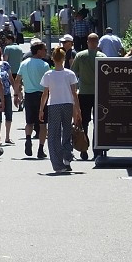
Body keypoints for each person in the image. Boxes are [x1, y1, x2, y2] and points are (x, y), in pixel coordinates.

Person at [40, 46, 81, 173]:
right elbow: (74, 93)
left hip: (53, 105)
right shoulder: (70, 74)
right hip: (68, 104)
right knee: (67, 131)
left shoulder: (48, 74)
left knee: (53, 135)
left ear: (52, 59)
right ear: (64, 59)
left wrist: (41, 109)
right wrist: (78, 110)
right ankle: (67, 156)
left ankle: (58, 164)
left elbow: (45, 93)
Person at [16, 40, 51, 160]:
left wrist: (17, 94)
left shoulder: (24, 63)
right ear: (39, 51)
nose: (46, 52)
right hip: (41, 95)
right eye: (44, 50)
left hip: (29, 94)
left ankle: (28, 139)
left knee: (29, 121)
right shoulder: (44, 65)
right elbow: (48, 83)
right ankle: (41, 148)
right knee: (42, 123)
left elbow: (17, 79)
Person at [70, 32, 102, 160]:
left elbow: (73, 73)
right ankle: (97, 150)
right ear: (98, 42)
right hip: (99, 93)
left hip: (84, 92)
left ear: (88, 42)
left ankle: (84, 147)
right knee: (98, 122)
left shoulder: (80, 56)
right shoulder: (103, 57)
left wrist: (75, 89)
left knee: (84, 121)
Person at [0, 45, 15, 145]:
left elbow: (10, 78)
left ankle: (8, 137)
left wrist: (16, 91)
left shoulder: (5, 64)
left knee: (9, 114)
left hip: (6, 92)